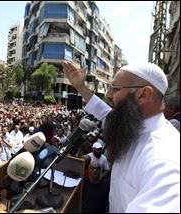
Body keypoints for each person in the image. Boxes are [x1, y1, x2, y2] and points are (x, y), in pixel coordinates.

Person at [62, 61, 180, 212]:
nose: (108, 95)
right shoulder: (132, 124)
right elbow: (102, 111)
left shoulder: (162, 159)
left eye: (115, 89)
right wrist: (80, 87)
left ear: (143, 95)